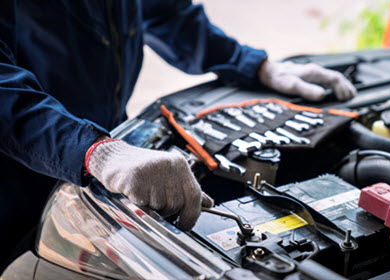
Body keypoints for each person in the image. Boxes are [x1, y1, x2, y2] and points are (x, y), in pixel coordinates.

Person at [0, 0, 356, 269]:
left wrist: (253, 65)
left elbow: (166, 13)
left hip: (108, 145)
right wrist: (97, 153)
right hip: (15, 181)